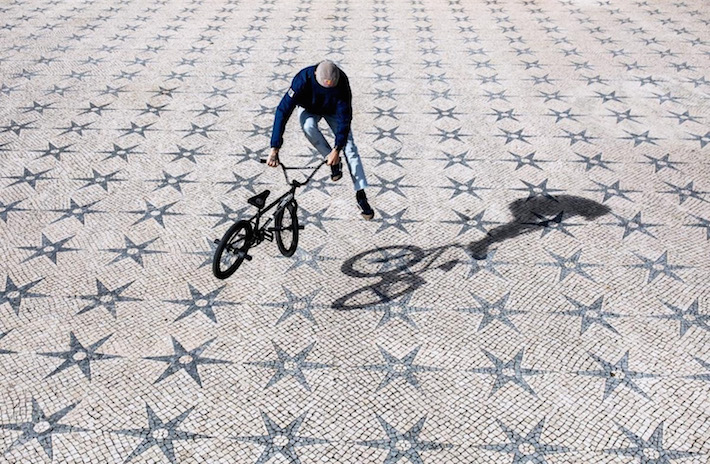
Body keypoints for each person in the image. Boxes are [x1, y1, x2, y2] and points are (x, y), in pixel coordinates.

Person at [268, 60, 374, 220]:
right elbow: (283, 110)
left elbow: (345, 119)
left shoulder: (342, 82)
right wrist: (274, 148)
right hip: (309, 108)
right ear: (316, 74)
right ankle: (333, 162)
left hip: (333, 111)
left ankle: (361, 195)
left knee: (350, 148)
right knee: (308, 127)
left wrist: (337, 149)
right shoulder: (302, 79)